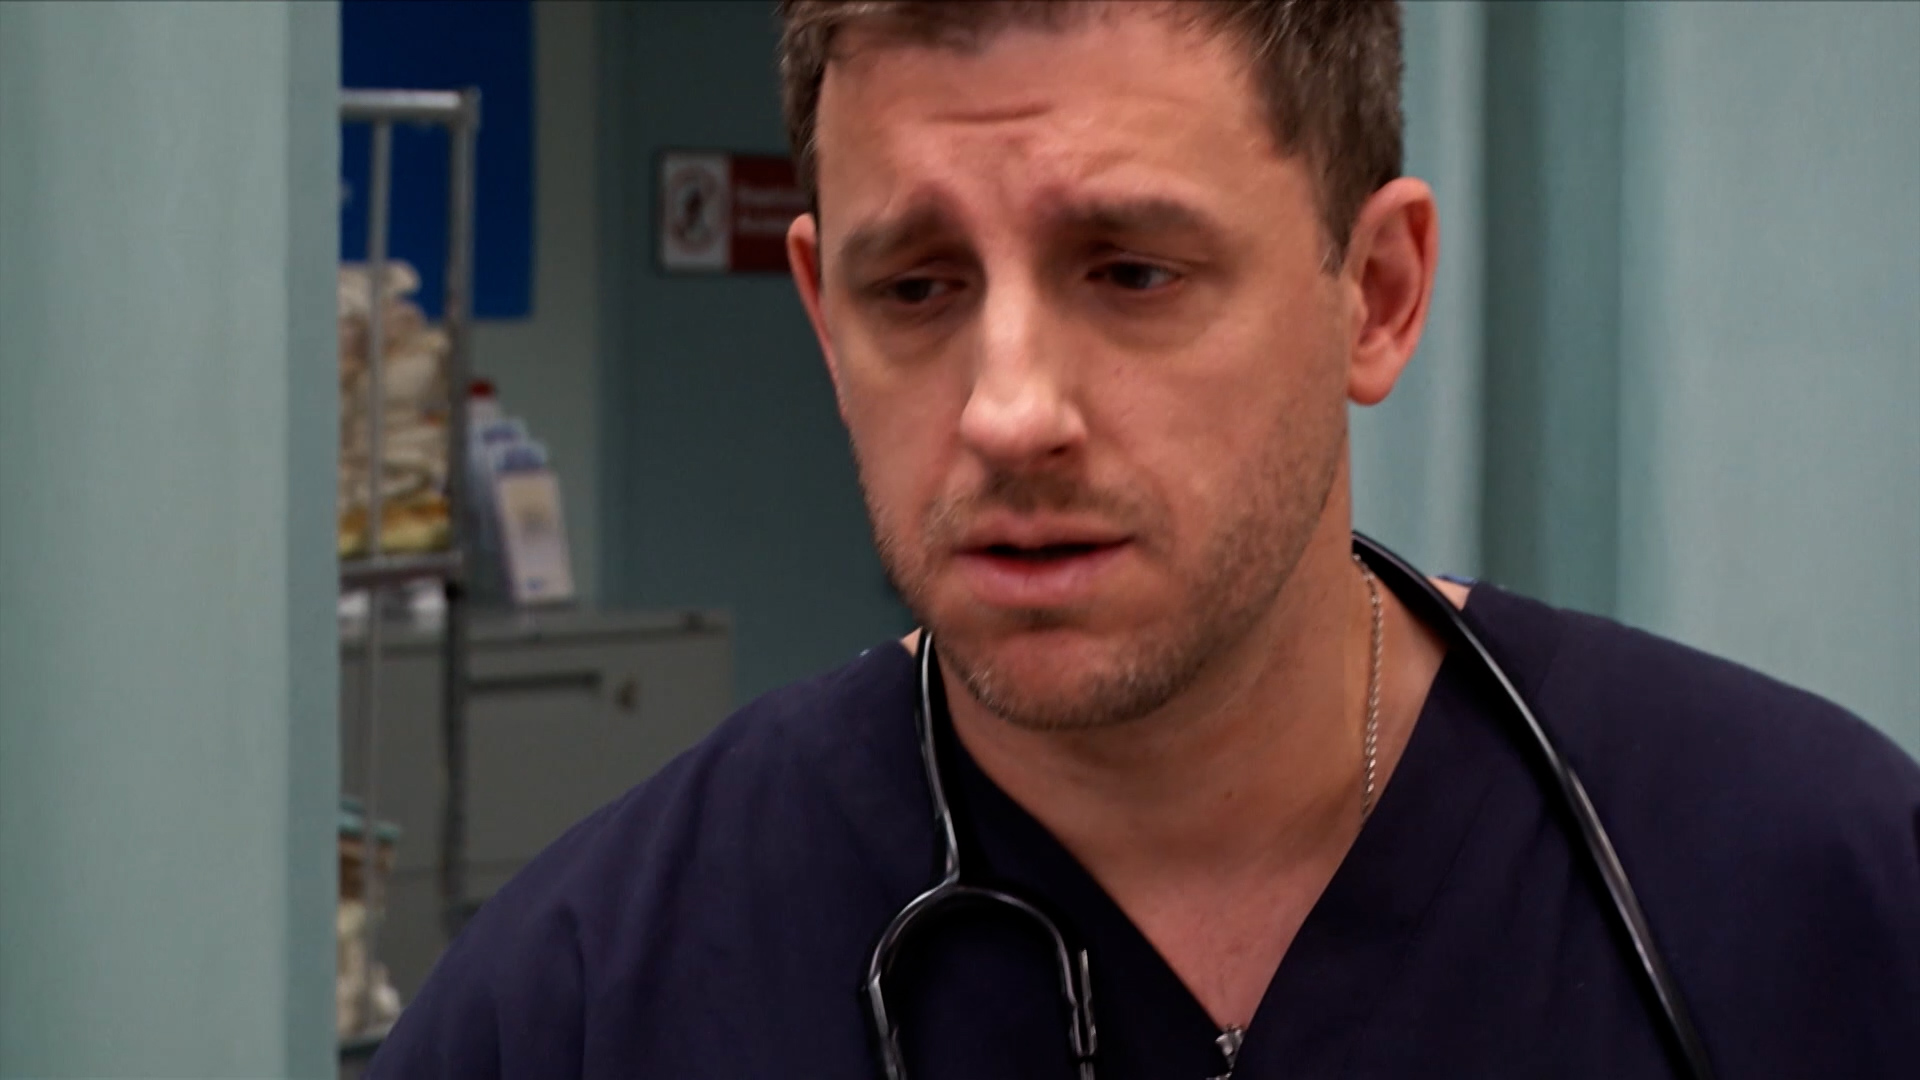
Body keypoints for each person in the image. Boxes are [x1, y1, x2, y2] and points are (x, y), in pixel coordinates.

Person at [367, 2, 1920, 1077]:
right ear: (827, 322)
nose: (1009, 410)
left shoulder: (1806, 891)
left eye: (1131, 272)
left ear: (1376, 294)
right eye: (918, 288)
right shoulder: (584, 1001)